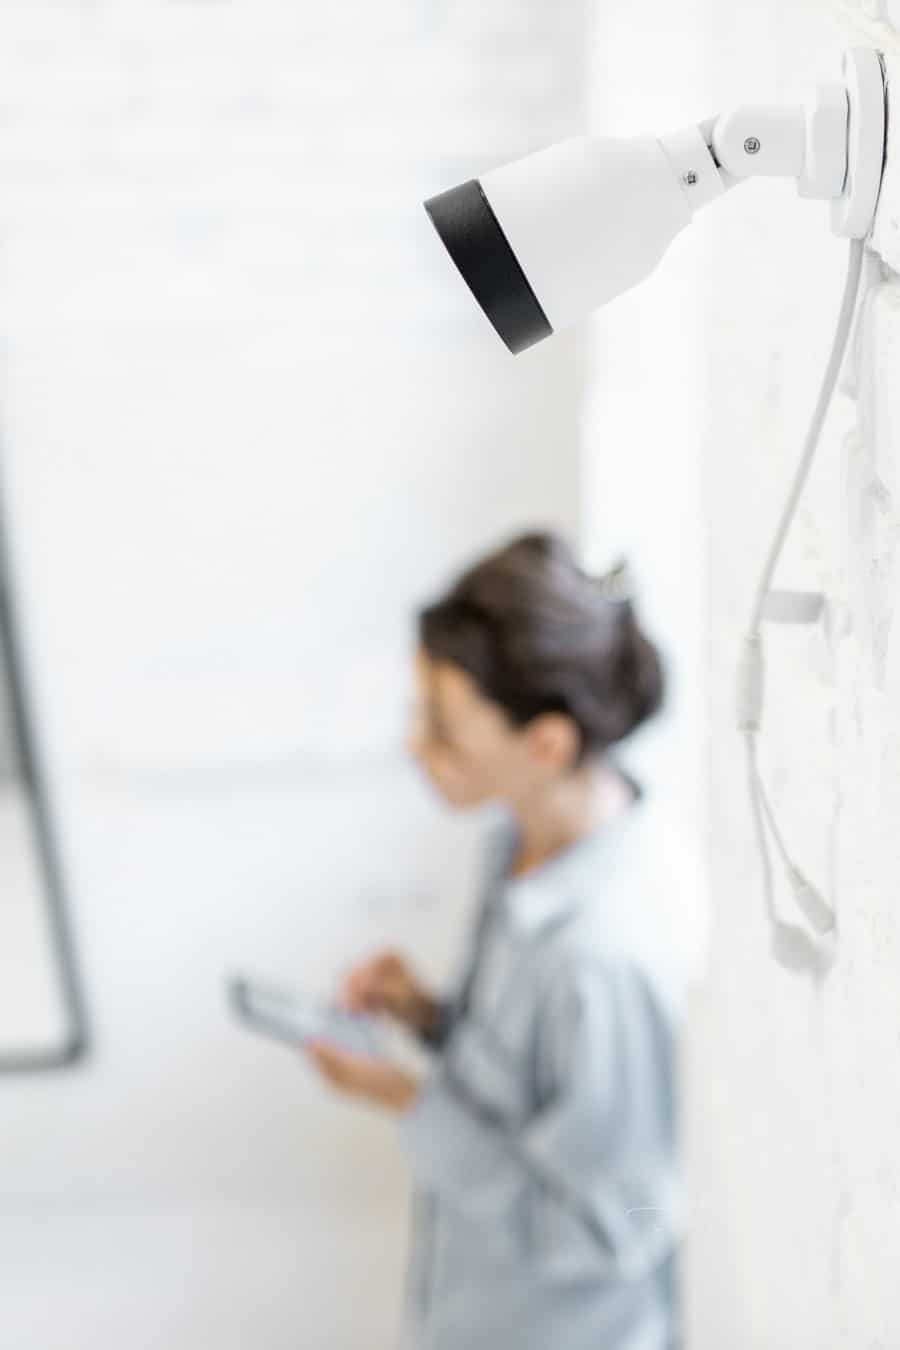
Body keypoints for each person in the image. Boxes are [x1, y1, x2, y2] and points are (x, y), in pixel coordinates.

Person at [306, 531, 702, 1350]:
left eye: (445, 729)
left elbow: (621, 1228)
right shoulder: (516, 847)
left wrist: (408, 1100)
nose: (418, 748)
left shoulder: (603, 957)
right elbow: (531, 1087)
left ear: (547, 744)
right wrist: (426, 1017)